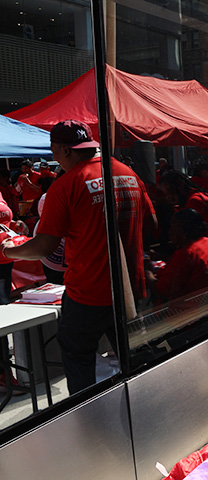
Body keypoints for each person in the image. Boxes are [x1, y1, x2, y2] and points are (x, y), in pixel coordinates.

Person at [1, 120, 156, 395]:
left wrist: (7, 250)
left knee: (77, 355)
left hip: (88, 293)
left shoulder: (67, 184)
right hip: (130, 288)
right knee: (134, 353)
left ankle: (86, 414)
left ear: (65, 150)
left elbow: (44, 247)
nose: (56, 158)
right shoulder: (127, 173)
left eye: (54, 151)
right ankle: (146, 401)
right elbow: (152, 225)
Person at [148, 208, 208, 303]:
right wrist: (163, 257)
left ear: (184, 231)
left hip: (190, 308)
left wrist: (147, 273)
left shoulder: (187, 254)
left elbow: (161, 291)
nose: (169, 232)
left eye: (173, 227)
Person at [159, 169, 208, 255]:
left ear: (180, 185)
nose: (168, 197)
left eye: (169, 191)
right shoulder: (200, 195)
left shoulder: (194, 202)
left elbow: (206, 235)